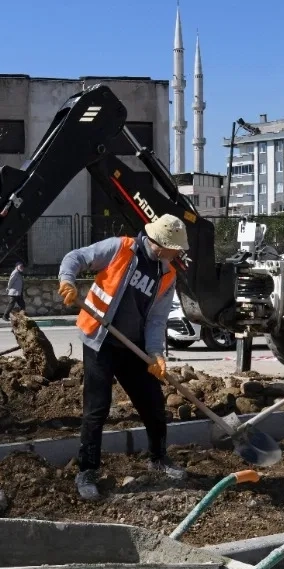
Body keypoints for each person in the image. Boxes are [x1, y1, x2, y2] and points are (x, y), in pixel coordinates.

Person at [58, 214, 189, 501]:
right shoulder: (120, 248)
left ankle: (158, 458)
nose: (177, 253)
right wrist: (68, 281)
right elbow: (75, 257)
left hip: (133, 346)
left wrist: (155, 354)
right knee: (97, 408)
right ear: (160, 243)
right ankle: (87, 471)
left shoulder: (167, 275)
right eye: (174, 248)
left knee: (153, 404)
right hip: (100, 340)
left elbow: (156, 319)